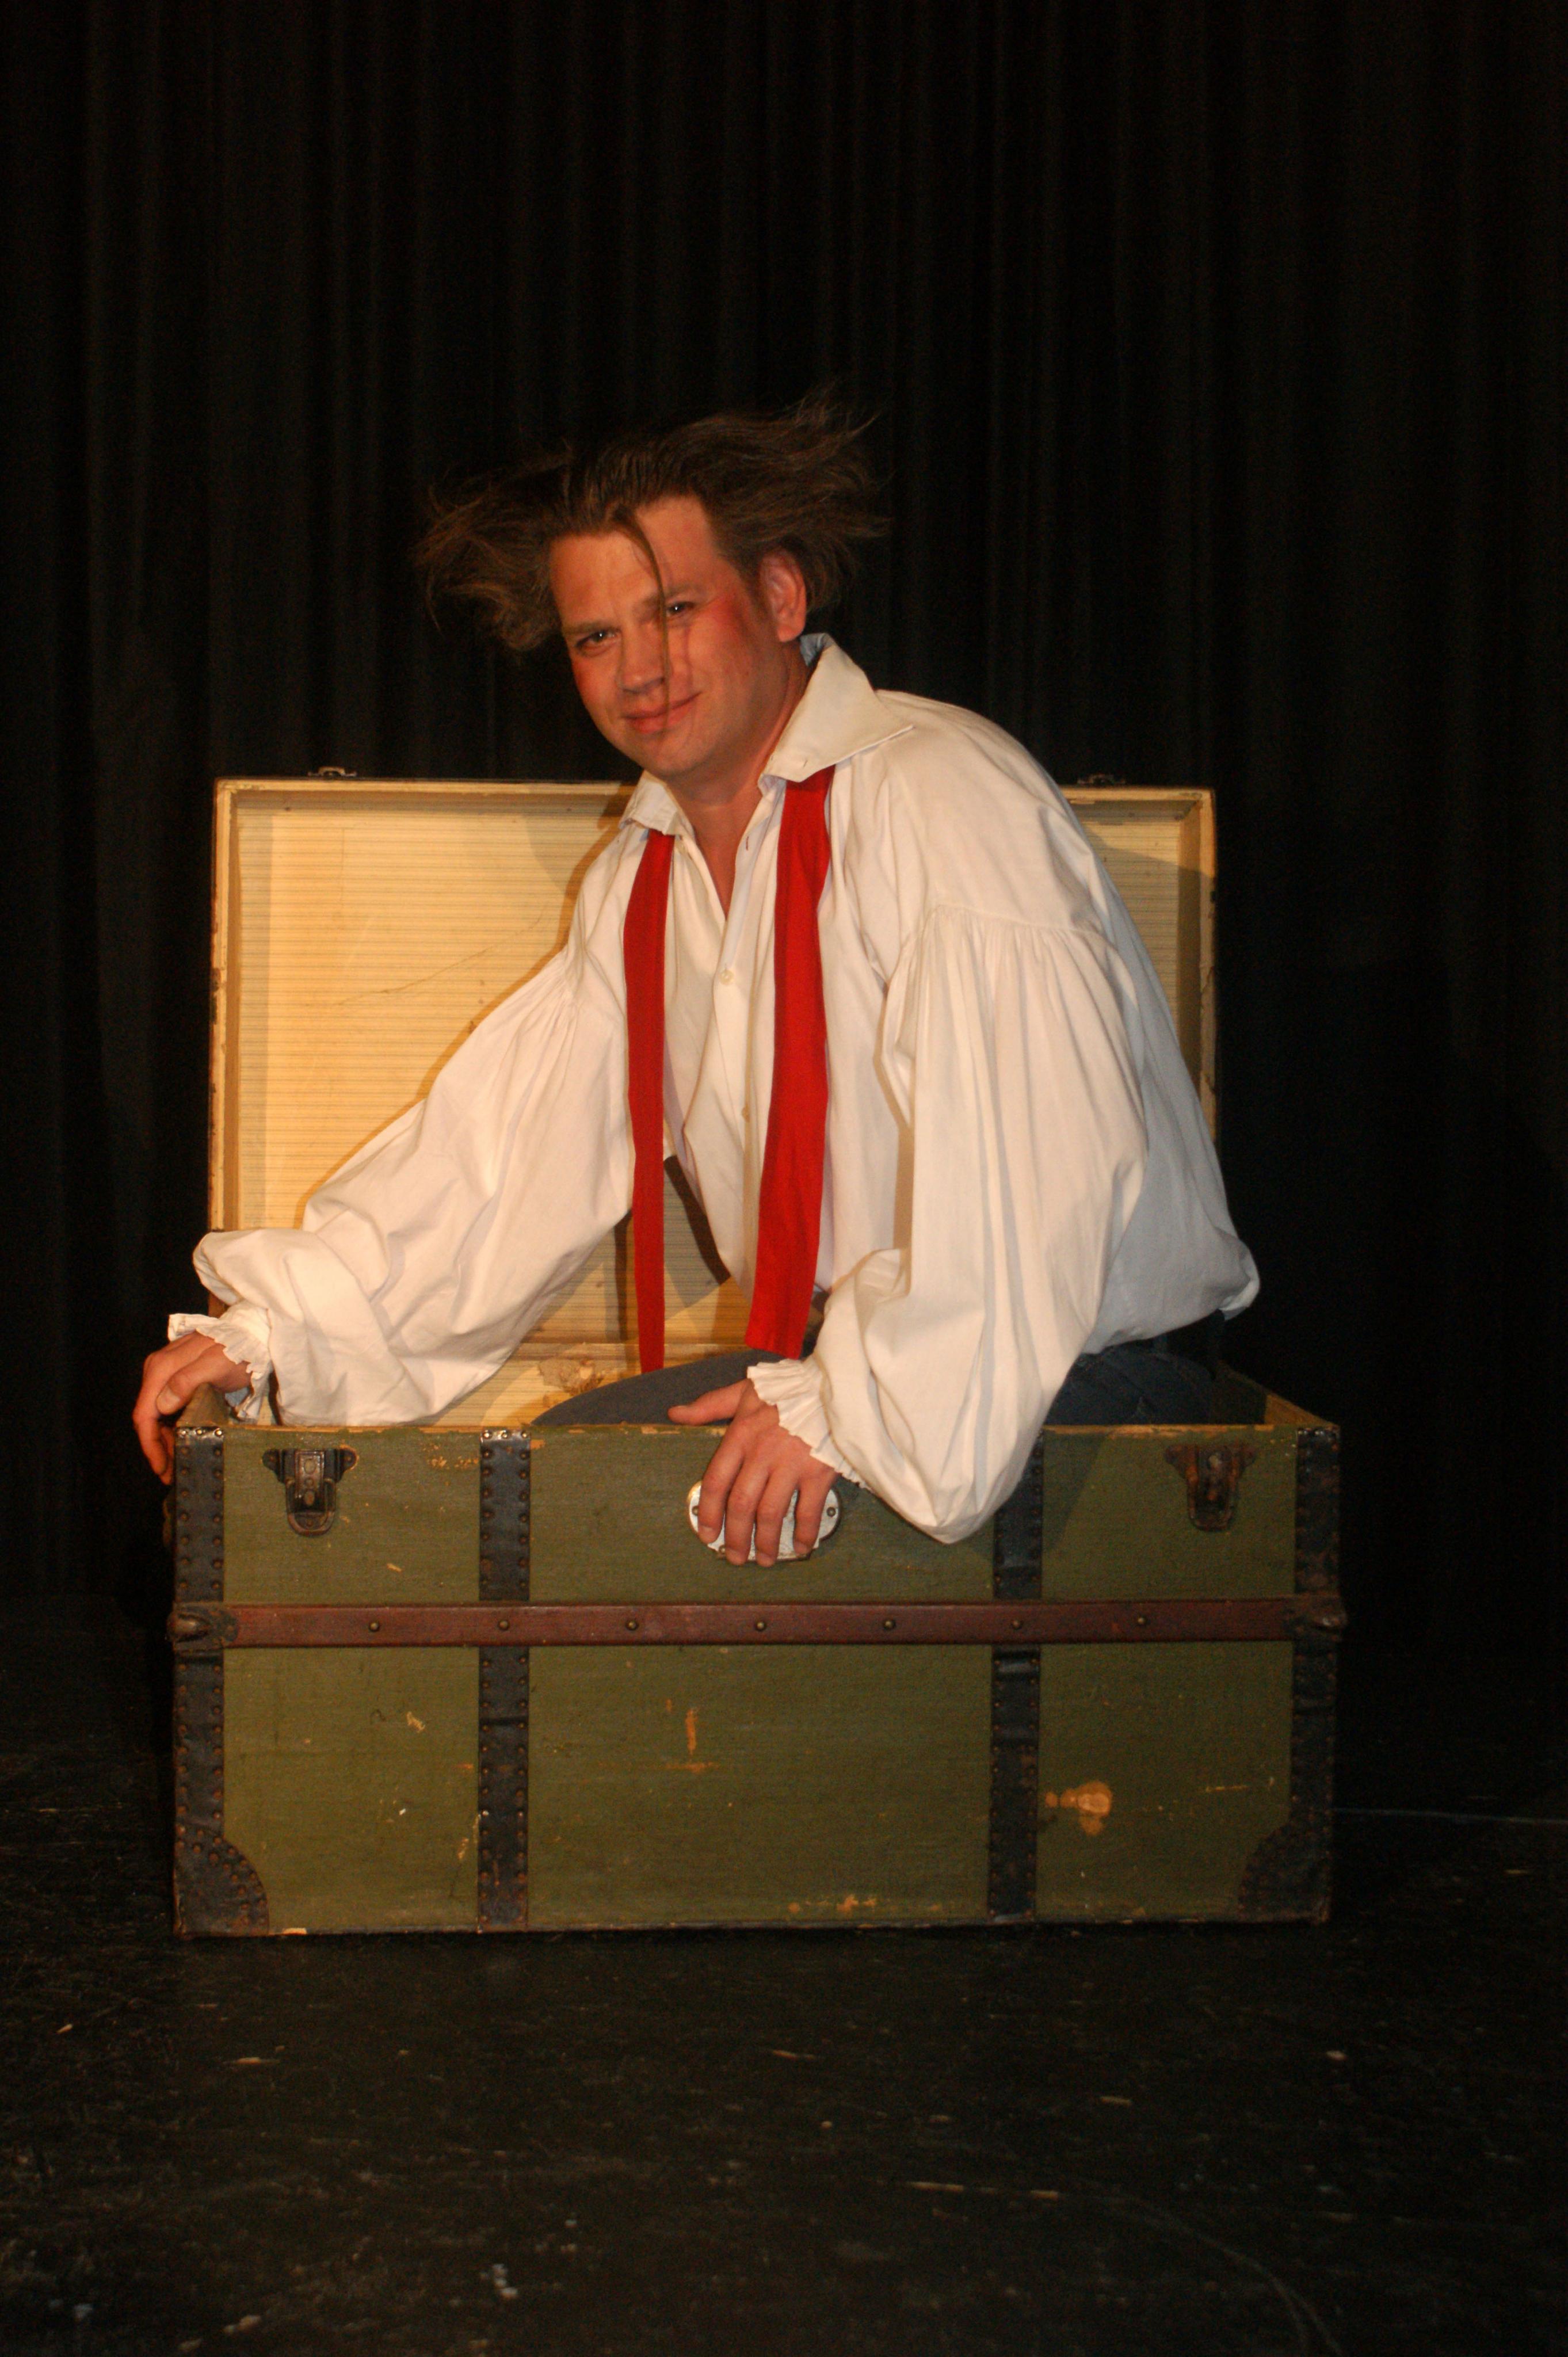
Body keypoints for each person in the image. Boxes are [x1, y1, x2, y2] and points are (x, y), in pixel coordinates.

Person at [133, 396, 1257, 1565]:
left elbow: (1037, 1174)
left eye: (673, 609)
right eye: (595, 637)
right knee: (558, 1492)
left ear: (779, 596)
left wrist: (856, 1410)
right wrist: (286, 1327)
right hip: (877, 1373)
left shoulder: (941, 798)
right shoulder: (646, 874)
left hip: (1063, 1377)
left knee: (604, 1532)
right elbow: (511, 1153)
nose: (641, 670)